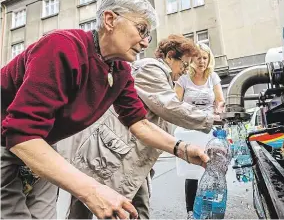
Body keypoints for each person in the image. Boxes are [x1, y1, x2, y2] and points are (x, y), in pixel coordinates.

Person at [0, 0, 209, 219]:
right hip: (10, 142)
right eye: (141, 30)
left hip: (43, 146)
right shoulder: (61, 48)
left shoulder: (120, 71)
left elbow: (138, 123)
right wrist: (92, 191)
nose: (145, 41)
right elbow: (22, 134)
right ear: (110, 20)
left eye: (149, 34)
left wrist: (183, 149)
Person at [58, 34, 221, 219]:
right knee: (85, 204)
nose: (185, 71)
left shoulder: (165, 77)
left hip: (130, 152)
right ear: (169, 57)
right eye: (184, 64)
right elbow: (169, 107)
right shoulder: (151, 69)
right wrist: (211, 118)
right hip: (111, 151)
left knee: (135, 207)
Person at [174, 42, 225, 219]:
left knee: (211, 168)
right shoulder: (183, 80)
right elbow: (175, 103)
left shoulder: (213, 77)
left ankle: (209, 207)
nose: (202, 61)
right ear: (192, 59)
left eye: (205, 57)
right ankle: (191, 211)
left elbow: (219, 100)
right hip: (189, 128)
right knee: (192, 170)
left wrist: (219, 110)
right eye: (198, 57)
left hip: (209, 128)